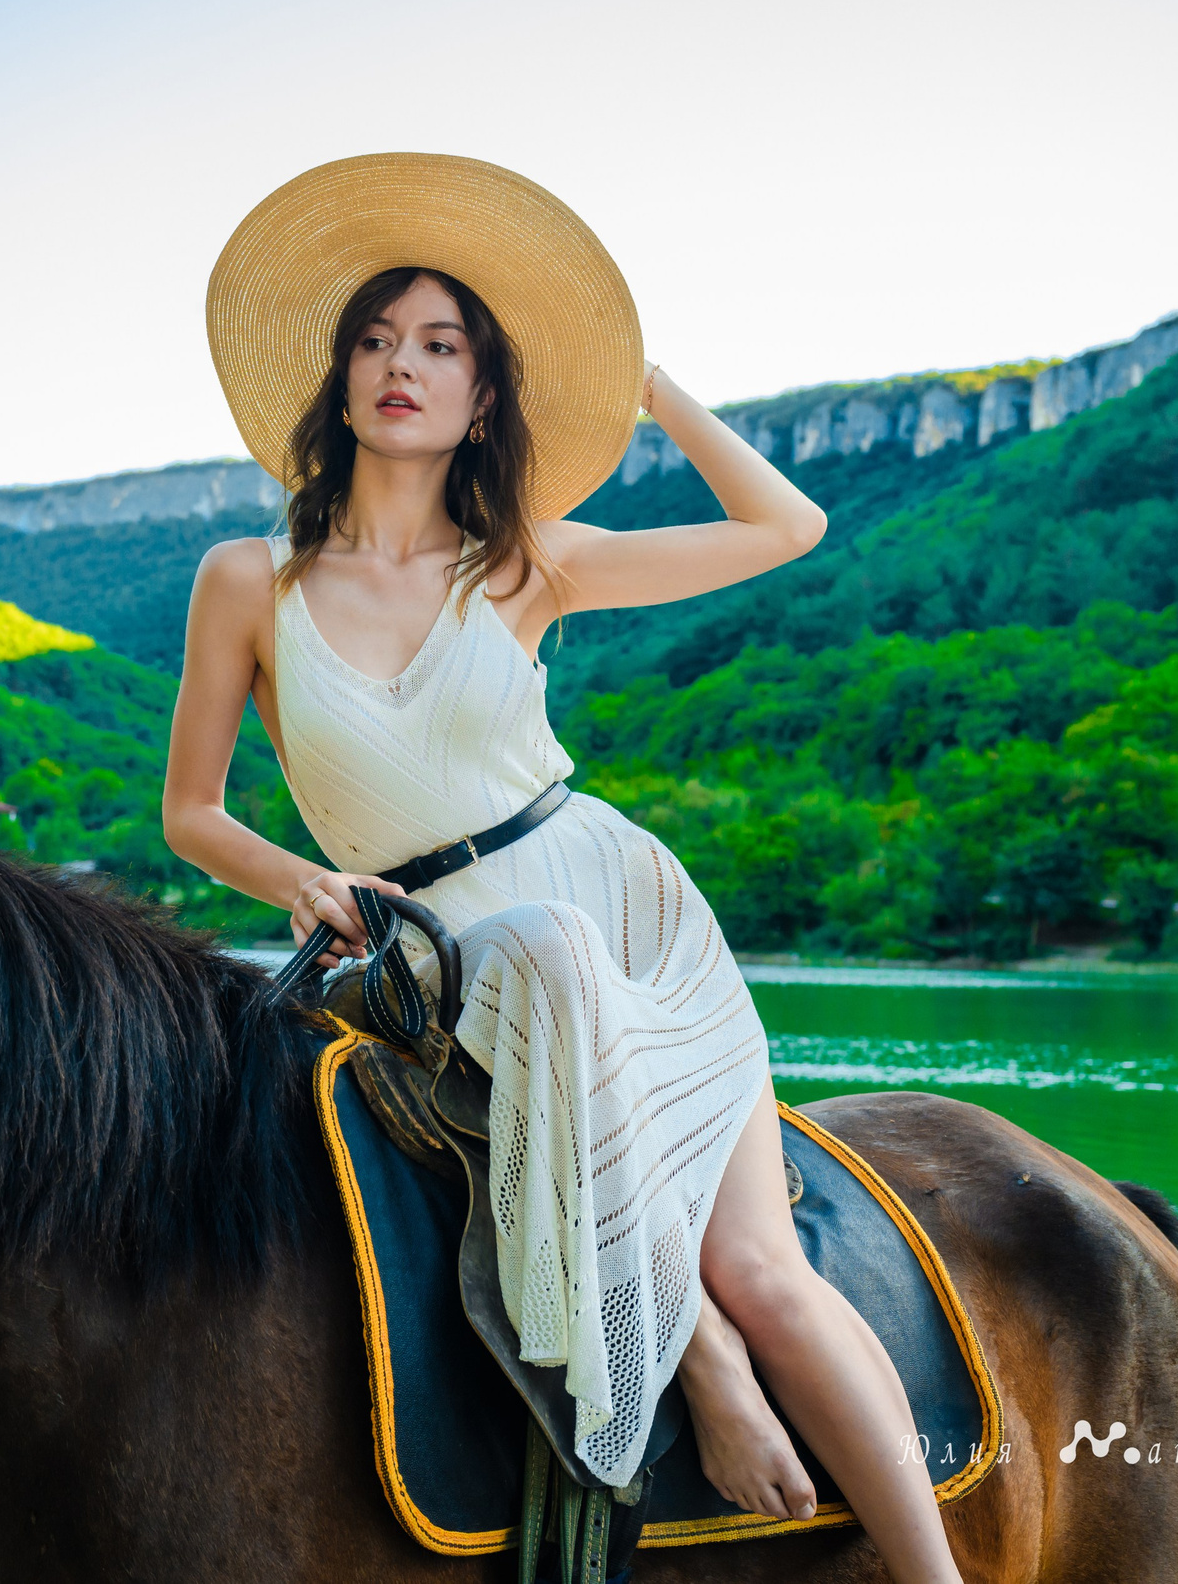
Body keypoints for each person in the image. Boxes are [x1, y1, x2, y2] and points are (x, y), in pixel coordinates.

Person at [163, 154, 964, 1584]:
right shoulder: (248, 579)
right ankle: (696, 1372)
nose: (402, 366)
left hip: (621, 908)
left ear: (485, 396)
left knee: (769, 1272)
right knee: (528, 961)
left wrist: (645, 383)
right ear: (337, 378)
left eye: (442, 346)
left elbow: (791, 528)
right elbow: (192, 813)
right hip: (443, 948)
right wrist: (294, 879)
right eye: (376, 340)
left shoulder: (525, 560)